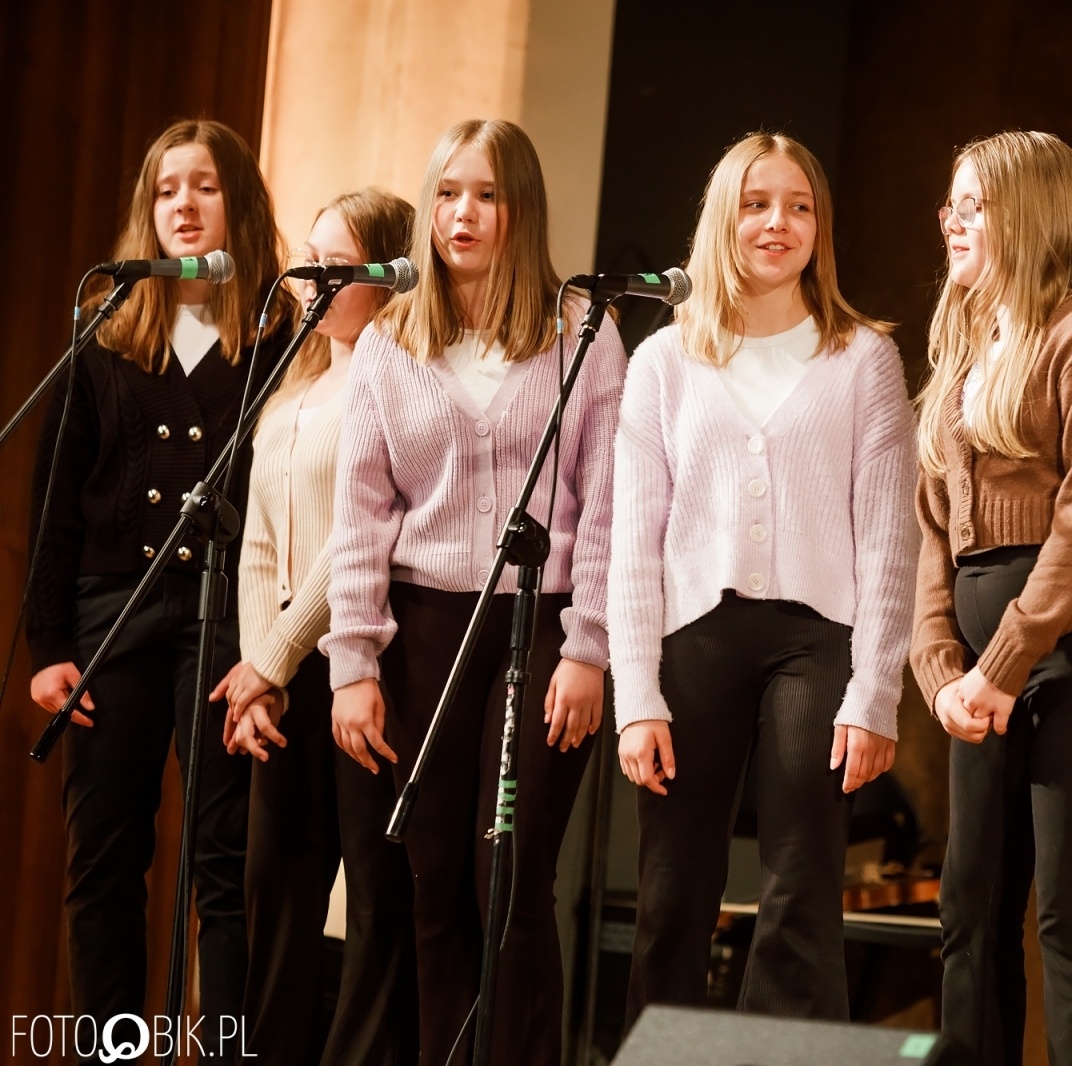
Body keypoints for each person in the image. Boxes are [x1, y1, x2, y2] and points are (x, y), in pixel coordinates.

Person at [319, 119, 625, 1066]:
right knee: (434, 886)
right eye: (448, 192)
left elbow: (611, 504)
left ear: (520, 209)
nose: (463, 213)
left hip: (541, 628)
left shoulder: (584, 336)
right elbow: (360, 516)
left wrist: (588, 646)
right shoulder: (389, 342)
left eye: (487, 195)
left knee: (512, 884)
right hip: (422, 629)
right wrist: (352, 663)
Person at [610, 132, 918, 1022]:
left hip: (819, 642)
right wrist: (636, 696)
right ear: (724, 218)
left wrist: (876, 693)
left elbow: (890, 540)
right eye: (756, 204)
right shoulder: (664, 361)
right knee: (673, 892)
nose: (777, 223)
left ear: (820, 226)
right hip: (693, 638)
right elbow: (635, 540)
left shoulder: (863, 359)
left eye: (799, 206)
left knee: (802, 884)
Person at [909, 130, 1072, 1066]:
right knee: (969, 903)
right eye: (950, 205)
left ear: (1032, 216)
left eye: (974, 205)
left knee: (1069, 908)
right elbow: (935, 539)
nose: (952, 222)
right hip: (986, 669)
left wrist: (1002, 662)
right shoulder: (962, 355)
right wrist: (940, 670)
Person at [26, 118, 296, 1053]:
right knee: (103, 856)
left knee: (222, 860)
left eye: (205, 186)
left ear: (240, 206)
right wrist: (48, 647)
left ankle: (222, 1048)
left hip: (224, 617)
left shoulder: (278, 339)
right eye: (166, 189)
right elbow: (54, 502)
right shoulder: (105, 332)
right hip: (111, 616)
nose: (183, 205)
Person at [211, 186, 419, 1064]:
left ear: (391, 277)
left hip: (363, 664)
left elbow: (360, 537)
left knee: (375, 897)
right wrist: (263, 675)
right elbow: (260, 541)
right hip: (286, 678)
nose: (314, 278)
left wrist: (275, 657)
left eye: (340, 264)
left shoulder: (399, 381)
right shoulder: (291, 389)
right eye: (312, 259)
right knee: (276, 891)